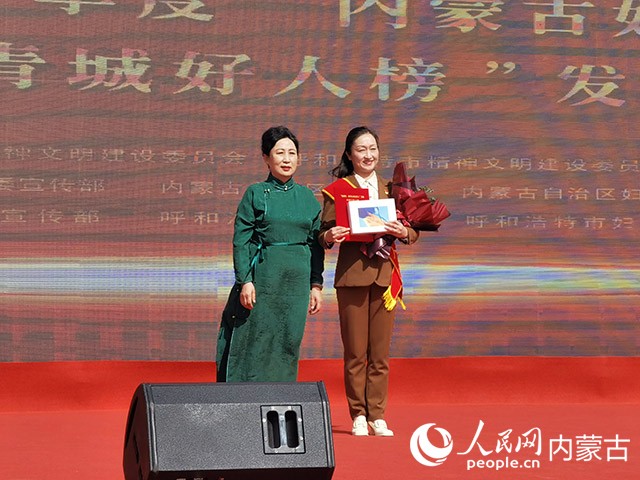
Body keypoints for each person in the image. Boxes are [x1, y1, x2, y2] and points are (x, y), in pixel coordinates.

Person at [319, 126, 419, 436]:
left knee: (380, 353)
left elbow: (413, 231)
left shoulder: (392, 189)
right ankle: (358, 415)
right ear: (349, 154)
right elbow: (322, 234)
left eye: (372, 148)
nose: (368, 155)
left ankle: (377, 415)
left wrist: (404, 232)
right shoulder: (338, 189)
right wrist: (329, 235)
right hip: (352, 277)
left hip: (385, 278)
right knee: (355, 352)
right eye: (361, 149)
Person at [216, 126, 324, 382]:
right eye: (279, 153)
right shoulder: (255, 193)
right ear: (266, 157)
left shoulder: (308, 197)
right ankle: (246, 397)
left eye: (292, 153)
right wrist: (245, 280)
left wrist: (316, 285)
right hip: (263, 280)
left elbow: (315, 245)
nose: (287, 159)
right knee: (257, 340)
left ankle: (282, 397)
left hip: (296, 285)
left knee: (288, 342)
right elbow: (241, 241)